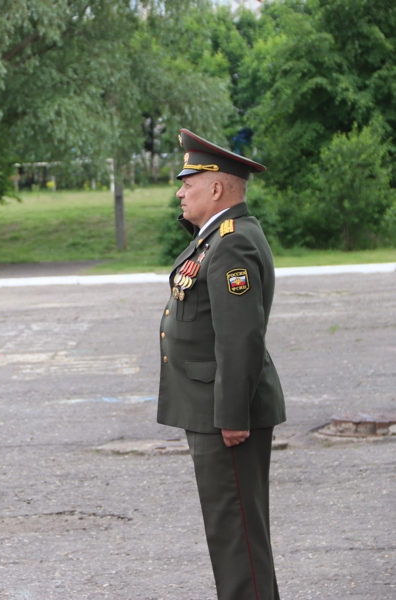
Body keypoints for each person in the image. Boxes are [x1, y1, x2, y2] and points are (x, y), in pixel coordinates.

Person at [158, 129, 286, 600]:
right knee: (234, 537)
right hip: (213, 409)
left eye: (187, 182)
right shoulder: (215, 237)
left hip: (227, 416)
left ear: (216, 187)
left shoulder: (232, 243)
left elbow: (240, 338)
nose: (180, 191)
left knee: (238, 542)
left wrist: (232, 415)